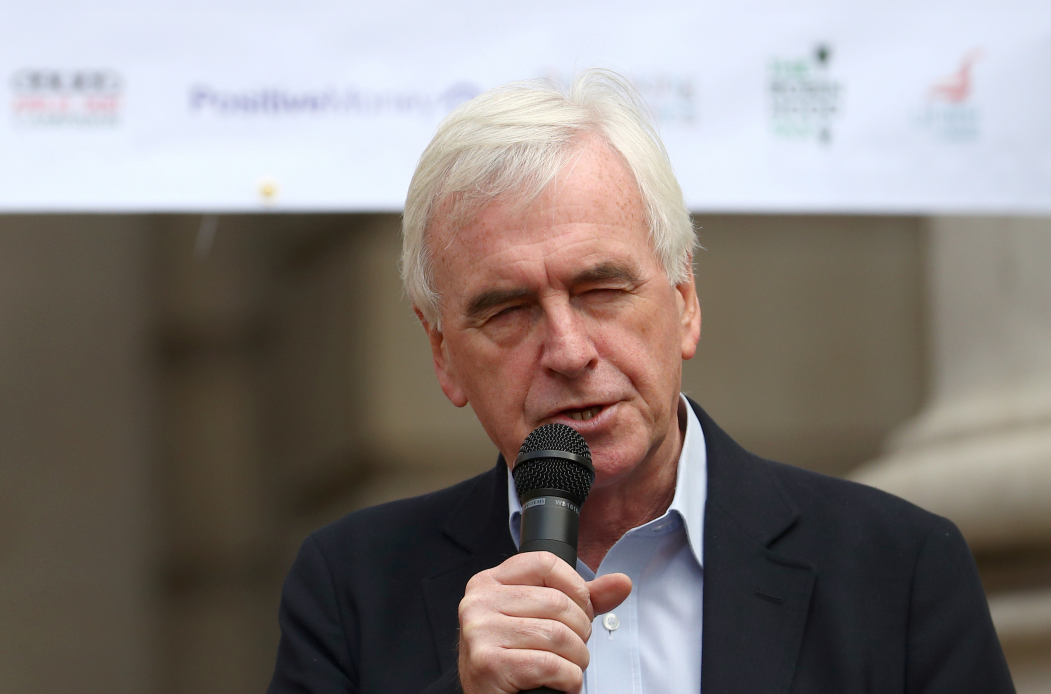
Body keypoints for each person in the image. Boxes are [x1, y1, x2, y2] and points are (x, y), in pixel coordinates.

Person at [266, 71, 1013, 694]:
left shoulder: (898, 571)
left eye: (601, 289)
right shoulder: (351, 590)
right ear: (442, 355)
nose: (566, 348)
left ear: (684, 303)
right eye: (508, 309)